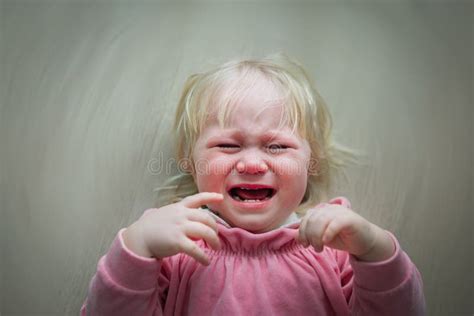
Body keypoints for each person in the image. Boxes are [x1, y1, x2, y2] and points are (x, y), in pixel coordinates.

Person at [81, 53, 426, 315]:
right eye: (227, 146)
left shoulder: (334, 247)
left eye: (277, 146)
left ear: (311, 162)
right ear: (191, 161)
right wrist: (136, 247)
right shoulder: (177, 245)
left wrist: (375, 250)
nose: (251, 163)